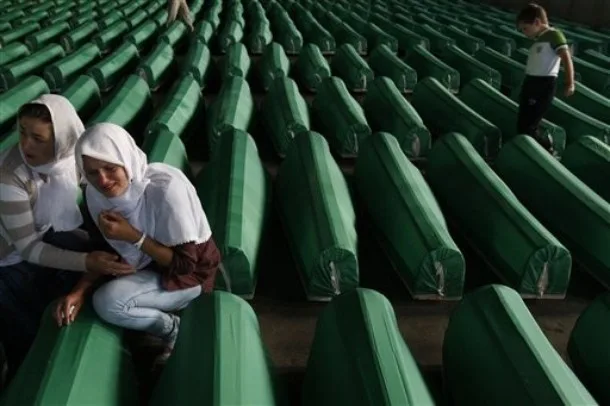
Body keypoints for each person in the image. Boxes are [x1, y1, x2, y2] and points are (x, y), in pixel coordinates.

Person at [55, 122, 221, 365]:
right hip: (148, 266)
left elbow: (186, 265)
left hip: (190, 276)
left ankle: (173, 329)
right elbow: (103, 251)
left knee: (107, 303)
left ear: (126, 159)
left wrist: (133, 236)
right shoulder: (96, 195)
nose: (102, 180)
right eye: (91, 172)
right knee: (75, 279)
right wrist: (78, 292)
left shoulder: (165, 190)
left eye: (110, 168)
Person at [0, 95, 134, 382]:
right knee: (24, 338)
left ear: (61, 139)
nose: (25, 145)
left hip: (42, 235)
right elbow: (27, 248)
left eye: (38, 137)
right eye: (22, 132)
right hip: (7, 261)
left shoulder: (69, 157)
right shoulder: (9, 177)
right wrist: (88, 262)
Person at [516, 3, 575, 154]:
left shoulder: (554, 35)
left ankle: (547, 147)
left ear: (537, 22)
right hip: (530, 82)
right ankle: (530, 149)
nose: (524, 33)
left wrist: (570, 83)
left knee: (529, 125)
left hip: (543, 84)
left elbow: (566, 58)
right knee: (522, 123)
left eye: (525, 29)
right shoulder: (539, 39)